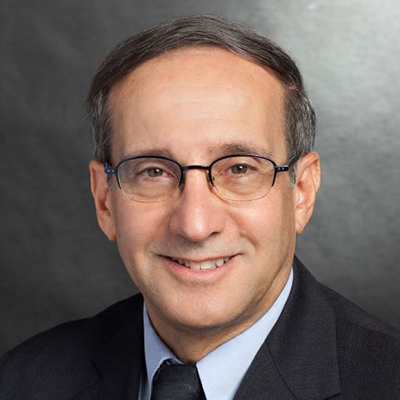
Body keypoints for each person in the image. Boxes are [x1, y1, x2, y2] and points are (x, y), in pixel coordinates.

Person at [1, 15, 400, 400]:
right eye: (154, 171)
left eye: (239, 168)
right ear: (105, 200)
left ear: (302, 192)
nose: (194, 224)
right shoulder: (22, 381)